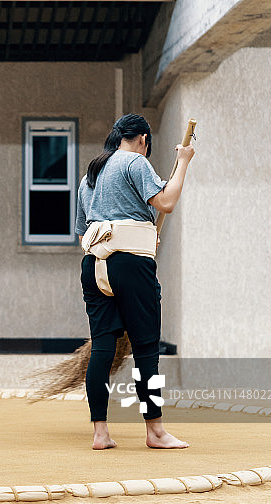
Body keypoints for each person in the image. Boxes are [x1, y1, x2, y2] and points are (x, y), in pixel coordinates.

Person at [75, 114, 194, 449]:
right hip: (131, 265)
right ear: (142, 138)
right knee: (145, 350)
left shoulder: (91, 174)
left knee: (101, 348)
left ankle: (100, 433)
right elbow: (166, 202)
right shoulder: (135, 163)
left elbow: (84, 232)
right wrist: (183, 161)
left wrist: (136, 236)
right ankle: (155, 431)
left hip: (93, 265)